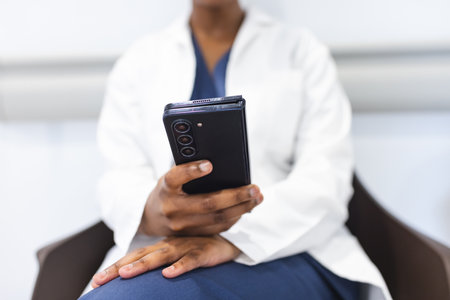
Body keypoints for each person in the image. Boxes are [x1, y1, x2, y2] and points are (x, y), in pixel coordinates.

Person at [80, 0, 391, 299]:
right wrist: (153, 212)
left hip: (287, 247)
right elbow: (118, 176)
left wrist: (231, 239)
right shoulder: (139, 62)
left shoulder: (301, 51)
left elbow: (327, 180)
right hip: (167, 246)